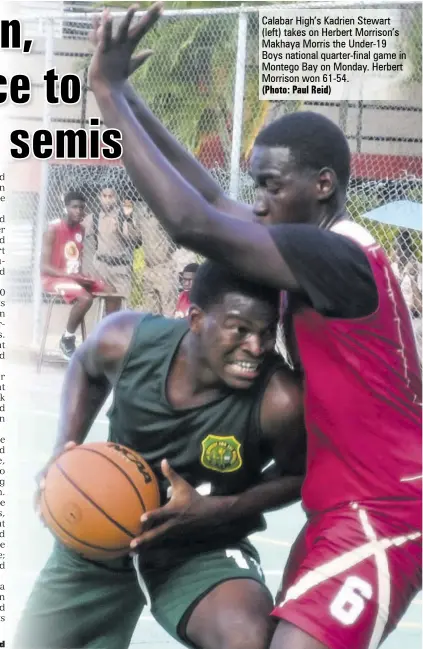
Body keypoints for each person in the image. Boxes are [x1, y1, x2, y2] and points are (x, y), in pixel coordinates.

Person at [87, 7, 422, 649]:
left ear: (322, 186)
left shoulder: (338, 255)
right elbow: (212, 202)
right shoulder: (314, 248)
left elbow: (194, 225)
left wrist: (104, 96)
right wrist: (128, 95)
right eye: (256, 186)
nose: (258, 201)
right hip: (338, 509)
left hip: (386, 510)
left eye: (270, 186)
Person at [14, 261, 306, 649]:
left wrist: (219, 508)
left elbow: (298, 474)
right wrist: (63, 449)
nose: (256, 347)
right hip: (104, 527)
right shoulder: (127, 341)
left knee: (246, 638)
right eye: (240, 330)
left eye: (267, 333)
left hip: (202, 543)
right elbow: (85, 366)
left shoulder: (279, 399)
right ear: (197, 319)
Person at [40, 190, 107, 359]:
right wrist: (71, 277)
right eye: (74, 207)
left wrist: (81, 276)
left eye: (82, 208)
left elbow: (74, 261)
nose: (79, 211)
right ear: (66, 208)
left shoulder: (81, 230)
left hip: (72, 278)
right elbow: (44, 267)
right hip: (52, 279)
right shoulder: (52, 229)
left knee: (110, 290)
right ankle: (67, 339)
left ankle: (107, 339)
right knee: (86, 298)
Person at [91, 186, 138, 313]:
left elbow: (134, 239)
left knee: (122, 306)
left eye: (110, 196)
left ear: (116, 198)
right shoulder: (95, 216)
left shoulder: (122, 216)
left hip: (120, 268)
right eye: (104, 196)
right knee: (103, 304)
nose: (107, 200)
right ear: (99, 197)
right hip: (101, 267)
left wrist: (126, 221)